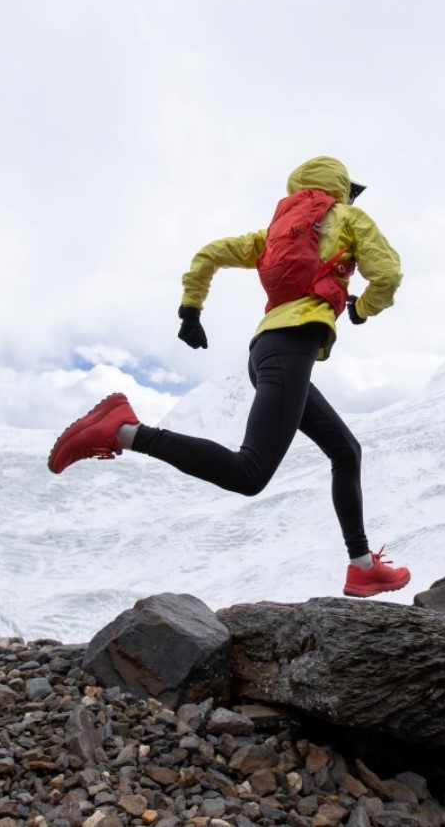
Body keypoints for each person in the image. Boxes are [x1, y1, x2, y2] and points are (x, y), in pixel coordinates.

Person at [47, 156, 409, 598]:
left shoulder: (272, 234)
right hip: (289, 349)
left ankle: (362, 567)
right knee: (249, 473)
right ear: (338, 188)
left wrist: (191, 309)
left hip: (267, 351)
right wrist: (363, 308)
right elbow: (386, 274)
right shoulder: (349, 218)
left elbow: (208, 255)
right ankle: (125, 430)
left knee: (346, 451)